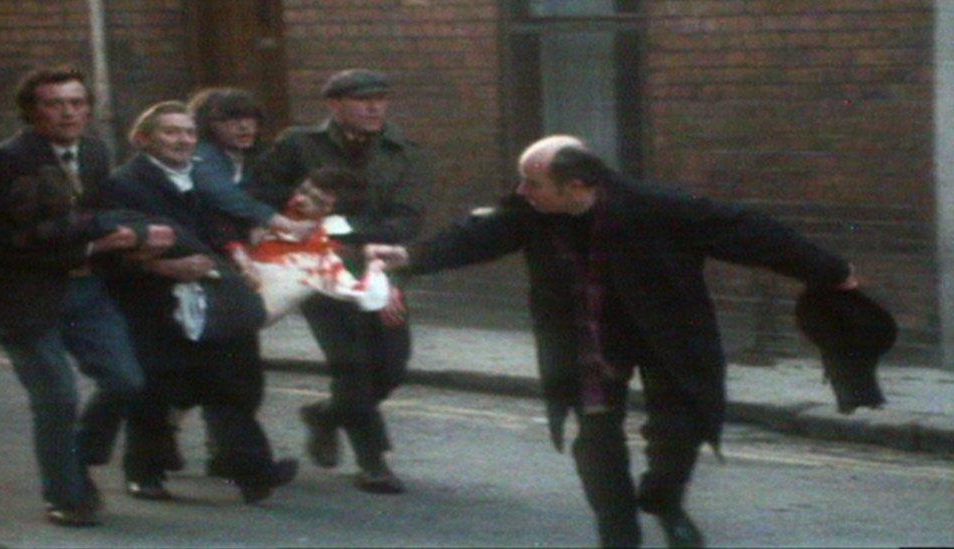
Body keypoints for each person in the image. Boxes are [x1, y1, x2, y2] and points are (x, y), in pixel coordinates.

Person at [366, 135, 860, 547]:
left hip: (667, 334)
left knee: (680, 429)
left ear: (578, 185)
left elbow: (754, 233)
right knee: (597, 437)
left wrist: (833, 273)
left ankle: (665, 498)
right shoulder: (530, 211)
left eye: (533, 182)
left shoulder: (660, 208)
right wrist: (408, 259)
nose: (521, 190)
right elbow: (472, 238)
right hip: (587, 339)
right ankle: (617, 533)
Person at [0, 66, 174, 526]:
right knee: (57, 396)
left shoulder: (94, 150)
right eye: (54, 104)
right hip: (23, 294)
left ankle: (78, 457)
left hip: (85, 290)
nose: (68, 113)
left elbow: (100, 210)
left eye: (76, 103)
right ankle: (65, 497)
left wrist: (139, 233)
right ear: (31, 112)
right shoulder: (5, 160)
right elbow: (4, 239)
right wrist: (94, 241)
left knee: (126, 380)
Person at [103, 101, 297, 503]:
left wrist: (238, 252)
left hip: (215, 296)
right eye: (171, 132)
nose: (183, 140)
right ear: (143, 139)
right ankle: (144, 472)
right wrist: (165, 268)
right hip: (155, 301)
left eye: (189, 132)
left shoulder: (203, 179)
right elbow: (111, 250)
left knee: (235, 384)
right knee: (157, 388)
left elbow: (222, 225)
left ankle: (252, 473)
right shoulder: (124, 183)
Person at [253, 68, 434, 493]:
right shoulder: (299, 145)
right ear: (335, 106)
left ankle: (326, 415)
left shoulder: (405, 152)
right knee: (350, 362)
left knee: (392, 363)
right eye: (361, 100)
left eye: (380, 99)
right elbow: (262, 191)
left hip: (377, 268)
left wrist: (338, 224)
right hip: (317, 270)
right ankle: (375, 463)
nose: (374, 108)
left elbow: (406, 220)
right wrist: (300, 222)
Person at [188, 86, 314, 241]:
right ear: (207, 124)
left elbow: (267, 192)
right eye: (230, 119)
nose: (244, 126)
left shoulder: (256, 154)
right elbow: (221, 193)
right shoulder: (201, 153)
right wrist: (282, 223)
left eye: (250, 117)